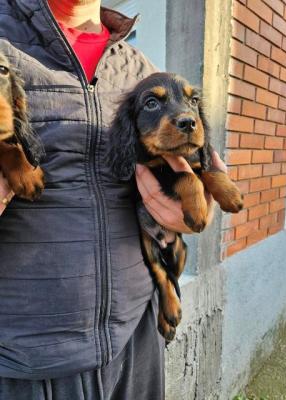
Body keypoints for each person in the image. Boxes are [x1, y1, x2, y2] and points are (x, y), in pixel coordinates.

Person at [0, 1, 226, 399]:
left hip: (136, 337)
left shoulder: (137, 66)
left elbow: (200, 169)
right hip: (24, 357)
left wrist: (192, 212)